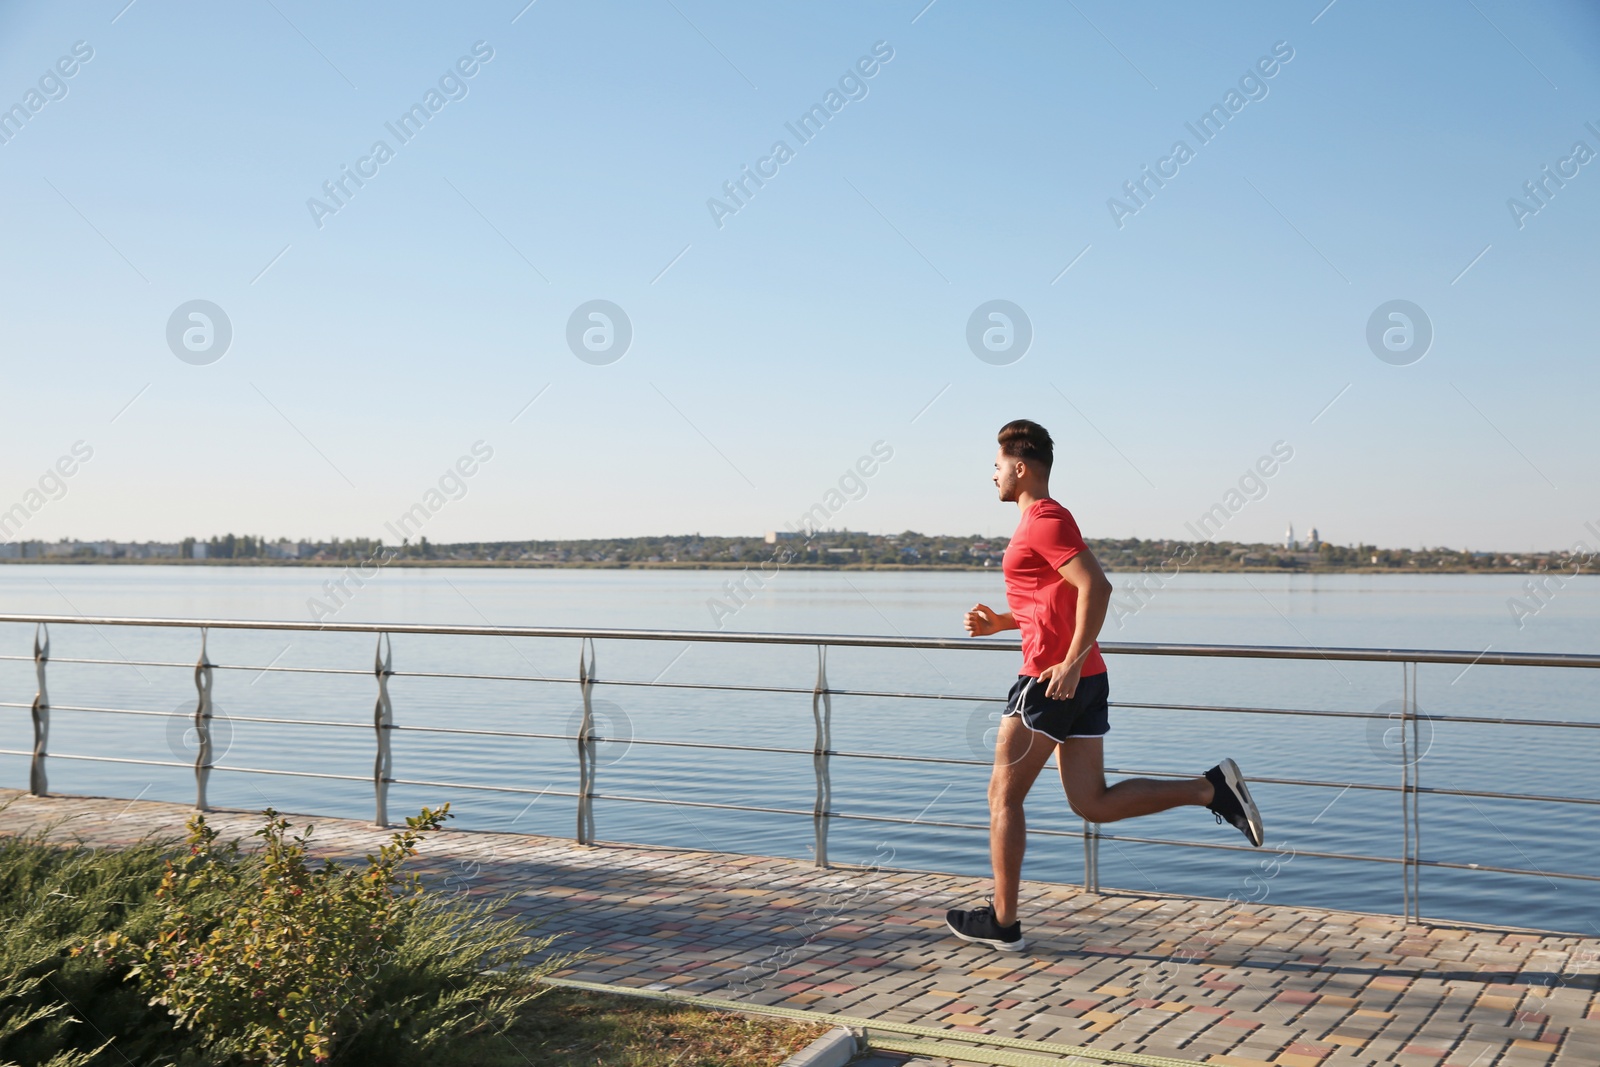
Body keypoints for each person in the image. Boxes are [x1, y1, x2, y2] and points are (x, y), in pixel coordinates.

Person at [945, 419, 1264, 953]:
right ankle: (1210, 788)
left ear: (1020, 468)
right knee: (1091, 802)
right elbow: (1054, 602)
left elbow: (1098, 586)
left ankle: (1002, 923)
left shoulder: (1043, 520)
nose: (992, 475)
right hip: (1083, 676)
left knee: (1003, 796)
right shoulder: (1039, 522)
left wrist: (1066, 664)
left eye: (997, 466)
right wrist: (1000, 623)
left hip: (1053, 681)